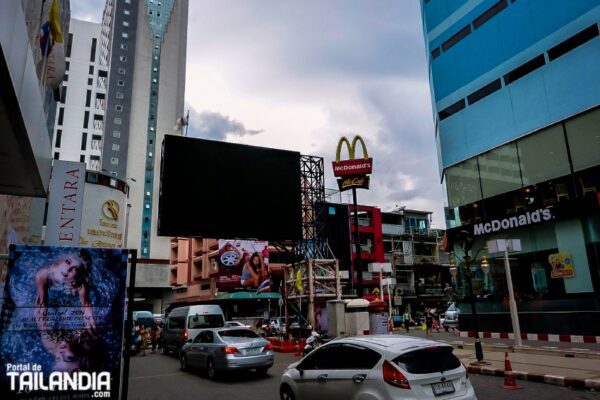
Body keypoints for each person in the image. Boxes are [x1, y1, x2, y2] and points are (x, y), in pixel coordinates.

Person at [35, 249, 95, 331]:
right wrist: (44, 329)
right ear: (61, 259)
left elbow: (86, 309)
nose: (68, 269)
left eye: (75, 269)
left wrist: (91, 329)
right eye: (67, 262)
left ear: (79, 275)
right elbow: (42, 303)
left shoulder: (81, 286)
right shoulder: (43, 274)